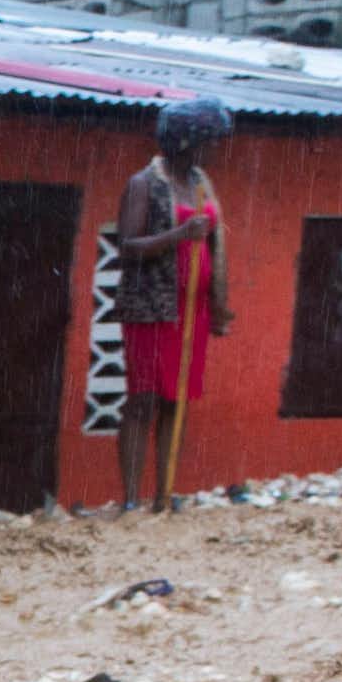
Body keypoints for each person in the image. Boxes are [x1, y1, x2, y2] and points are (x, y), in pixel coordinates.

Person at [114, 97, 235, 514]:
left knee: (176, 400)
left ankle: (164, 495)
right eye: (211, 141)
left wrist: (219, 304)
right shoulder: (144, 183)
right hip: (152, 309)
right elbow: (128, 247)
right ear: (187, 141)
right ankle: (131, 499)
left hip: (192, 311)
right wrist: (180, 234)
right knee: (143, 400)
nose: (216, 149)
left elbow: (216, 245)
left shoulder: (203, 184)